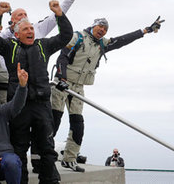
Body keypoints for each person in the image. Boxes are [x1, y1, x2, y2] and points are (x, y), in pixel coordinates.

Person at [52, 16, 164, 172]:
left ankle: (69, 159)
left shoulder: (102, 44)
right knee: (53, 120)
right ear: (93, 26)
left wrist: (146, 30)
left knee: (78, 124)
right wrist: (62, 78)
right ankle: (44, 157)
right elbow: (62, 57)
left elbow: (123, 40)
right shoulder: (77, 37)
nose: (102, 30)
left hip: (78, 87)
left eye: (105, 29)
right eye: (100, 27)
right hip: (62, 83)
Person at [0, 0, 73, 184]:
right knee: (19, 147)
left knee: (47, 147)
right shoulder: (10, 47)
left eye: (31, 29)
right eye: (25, 30)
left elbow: (66, 36)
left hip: (41, 105)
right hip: (19, 106)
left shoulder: (43, 45)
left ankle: (49, 180)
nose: (30, 31)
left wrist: (59, 15)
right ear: (16, 34)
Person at [0, 0, 78, 105]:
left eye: (25, 14)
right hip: (15, 84)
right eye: (20, 15)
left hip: (38, 85)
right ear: (12, 20)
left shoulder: (37, 28)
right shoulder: (6, 36)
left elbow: (56, 15)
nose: (24, 16)